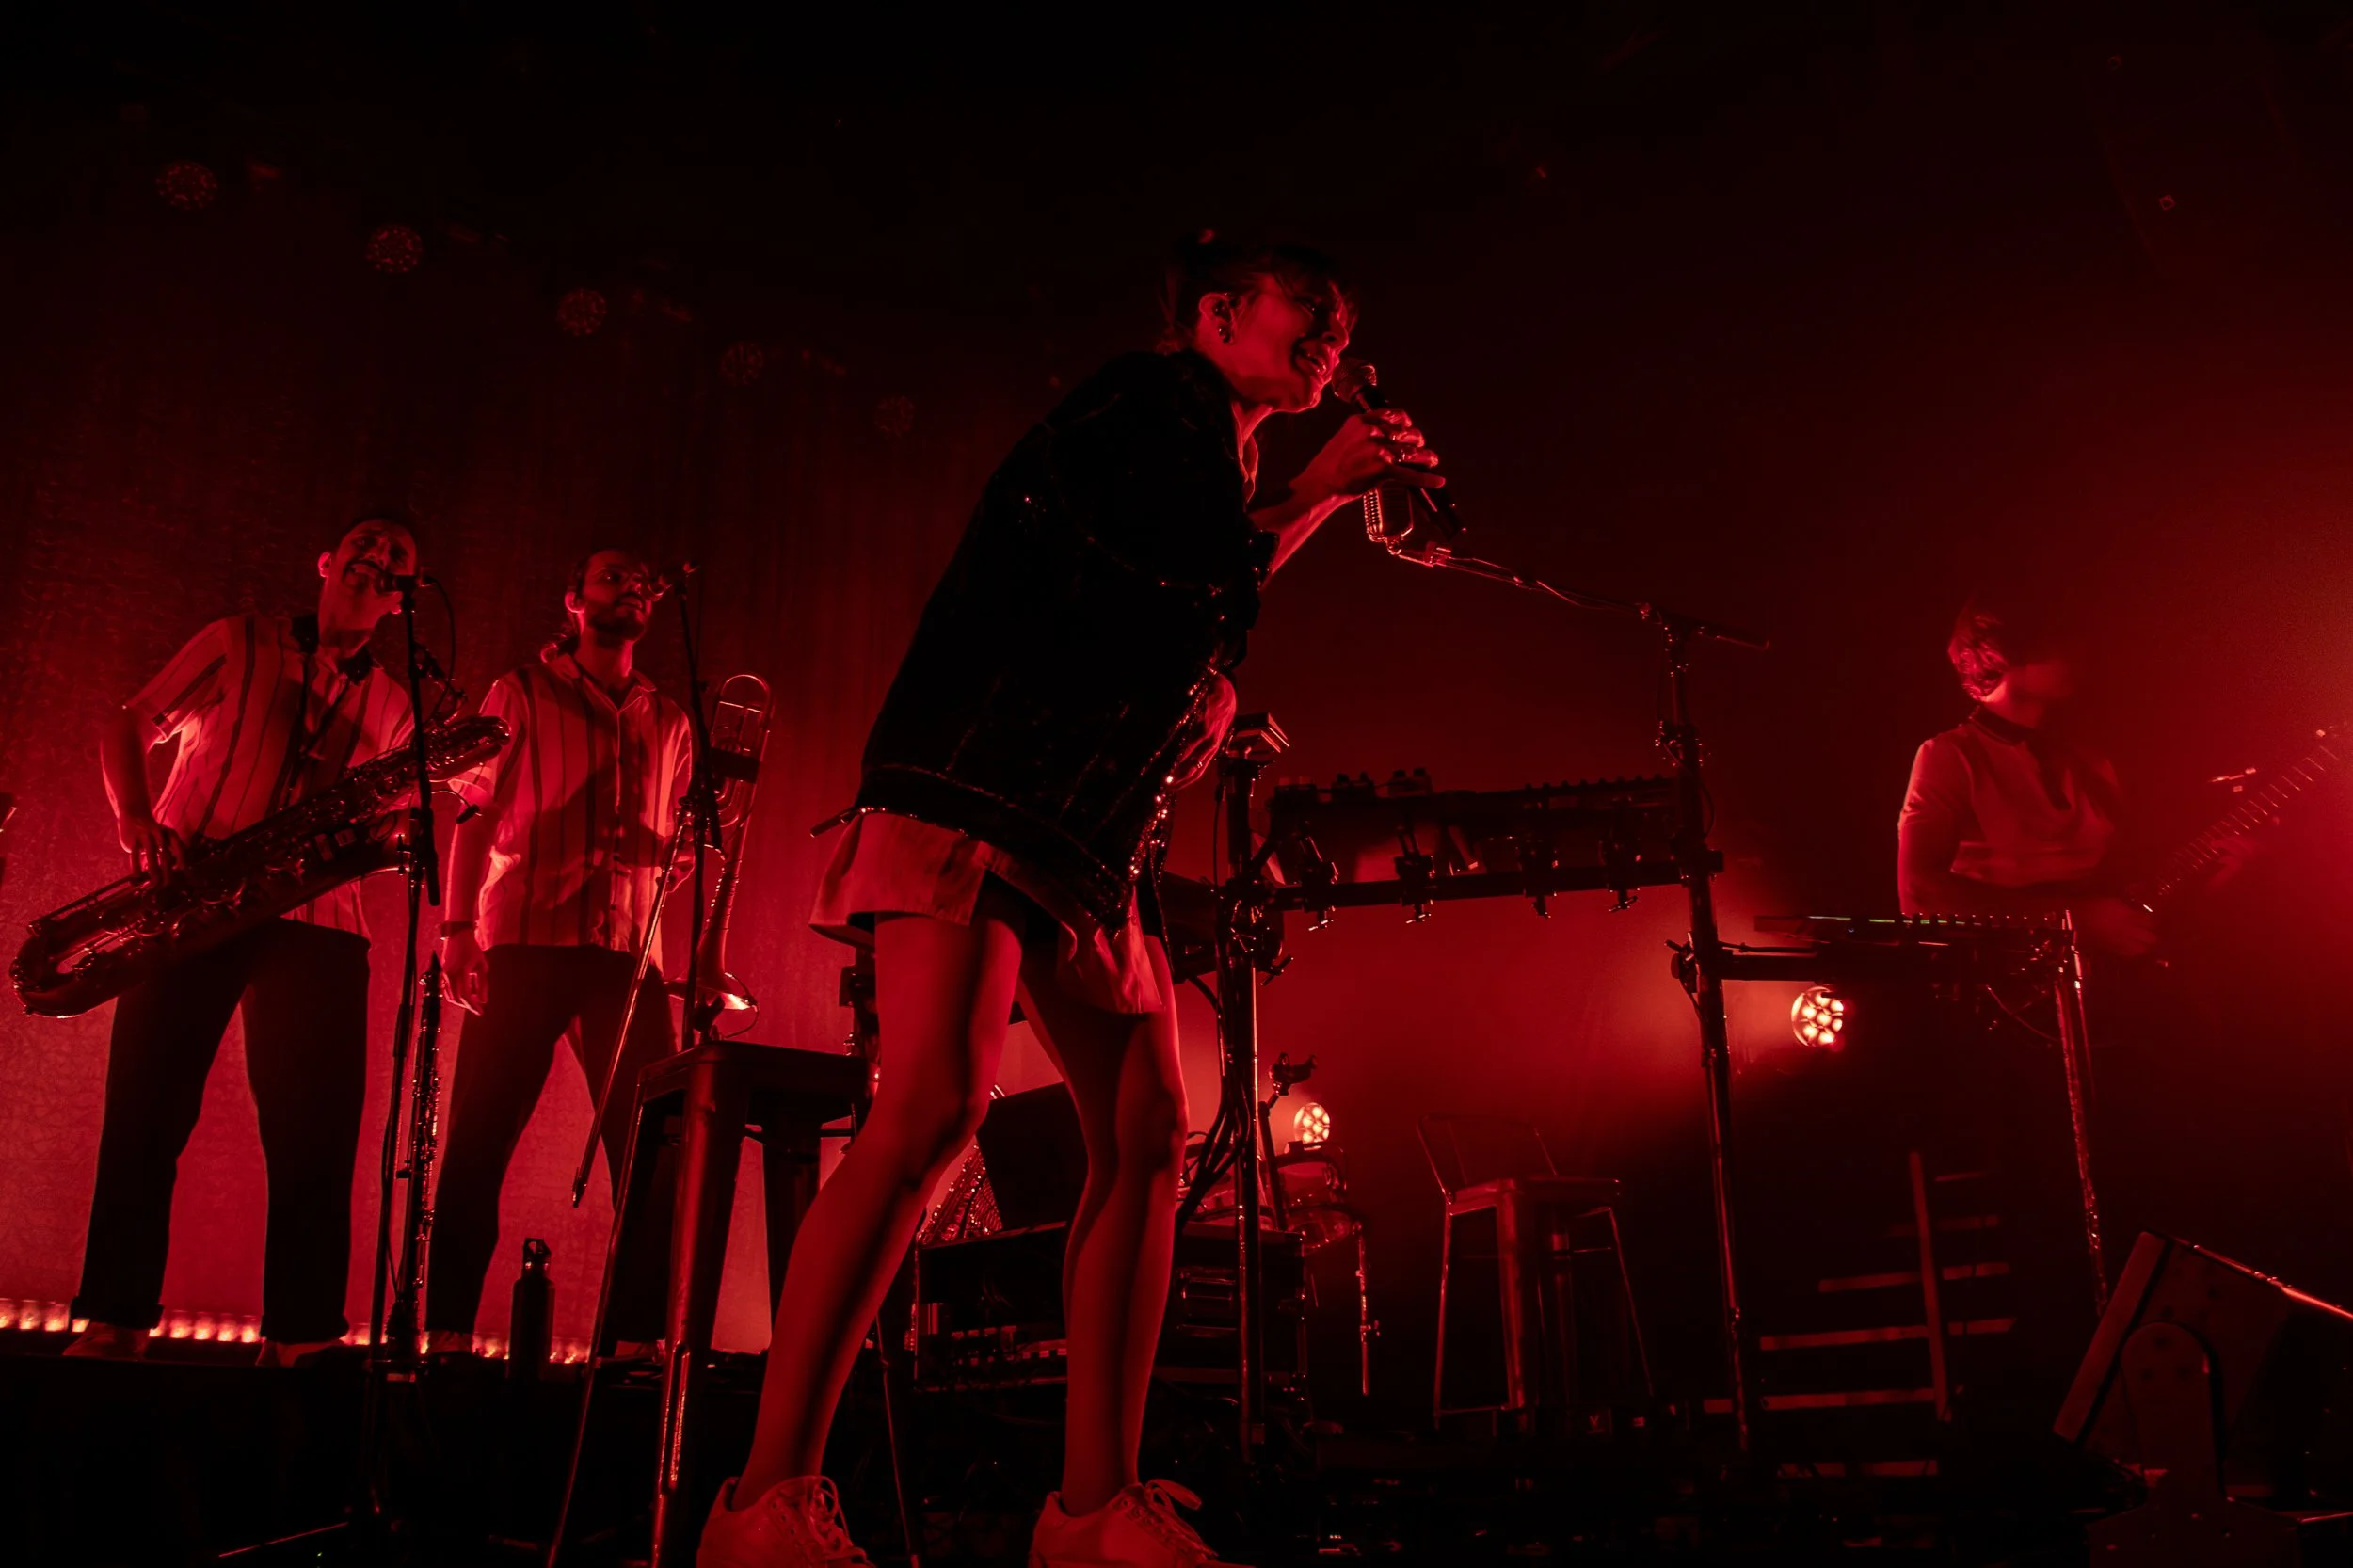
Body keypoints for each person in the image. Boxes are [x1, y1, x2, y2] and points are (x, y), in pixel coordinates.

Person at [697, 237, 1440, 1568]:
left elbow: (1172, 599)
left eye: (1342, 319)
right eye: (1309, 310)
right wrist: (1325, 491)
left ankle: (1093, 1505)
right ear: (1218, 316)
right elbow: (1160, 563)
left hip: (1085, 830)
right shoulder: (1146, 400)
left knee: (1149, 1129)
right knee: (929, 1104)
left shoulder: (1229, 455)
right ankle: (765, 1498)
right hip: (983, 788)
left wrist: (1213, 681)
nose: (1333, 335)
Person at [67, 515, 426, 1366]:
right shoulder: (239, 641)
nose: (377, 562)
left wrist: (397, 836)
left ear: (404, 595)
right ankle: (114, 1319)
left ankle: (300, 1335)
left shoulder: (400, 705)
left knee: (317, 1136)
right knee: (146, 1116)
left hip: (323, 923)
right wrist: (133, 818)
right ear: (327, 561)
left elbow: (384, 834)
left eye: (396, 561)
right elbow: (131, 720)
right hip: (194, 895)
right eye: (365, 548)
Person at [425, 549, 696, 1357]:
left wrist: (674, 858)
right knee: (479, 1139)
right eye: (615, 575)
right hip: (527, 944)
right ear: (574, 600)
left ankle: (640, 1343)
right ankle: (445, 1332)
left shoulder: (673, 719)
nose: (634, 587)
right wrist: (455, 929)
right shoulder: (520, 691)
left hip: (626, 954)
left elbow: (666, 850)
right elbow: (473, 814)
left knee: (653, 1152)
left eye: (644, 580)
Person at [1897, 593, 2156, 957]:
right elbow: (1919, 895)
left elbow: (2130, 882)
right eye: (2057, 644)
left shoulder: (2089, 761)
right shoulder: (1949, 756)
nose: (2077, 656)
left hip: (2102, 978)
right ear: (2000, 653)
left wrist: (2216, 869)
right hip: (2004, 983)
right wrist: (2075, 918)